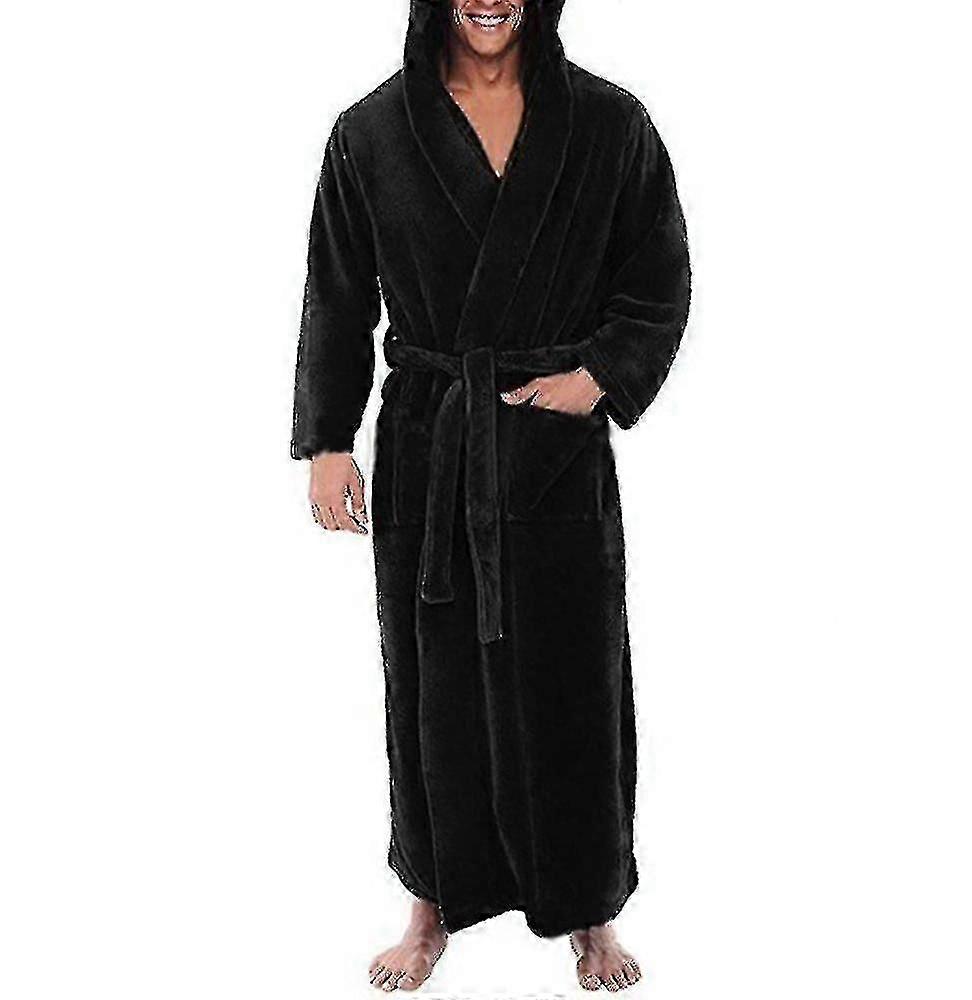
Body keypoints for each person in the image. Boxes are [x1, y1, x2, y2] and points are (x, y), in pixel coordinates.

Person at [290, 0, 690, 991]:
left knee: (575, 678)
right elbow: (337, 291)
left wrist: (600, 375)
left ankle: (590, 908)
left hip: (554, 450)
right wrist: (328, 440)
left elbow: (657, 270)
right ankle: (430, 903)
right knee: (431, 684)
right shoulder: (371, 131)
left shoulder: (609, 123)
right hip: (431, 444)